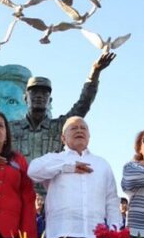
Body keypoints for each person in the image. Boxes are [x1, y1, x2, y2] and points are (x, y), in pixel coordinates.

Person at [11, 53, 116, 195]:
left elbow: (83, 103)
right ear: (25, 98)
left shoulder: (60, 126)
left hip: (52, 196)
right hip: (16, 194)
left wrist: (94, 72)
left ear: (50, 100)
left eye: (44, 93)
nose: (39, 96)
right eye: (34, 92)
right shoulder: (10, 128)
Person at [28, 116, 121, 238]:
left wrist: (114, 234)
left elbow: (111, 201)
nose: (79, 130)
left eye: (83, 128)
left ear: (89, 136)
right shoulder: (55, 159)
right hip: (61, 236)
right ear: (63, 138)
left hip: (96, 237)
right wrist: (69, 166)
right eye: (74, 128)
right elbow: (33, 171)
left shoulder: (102, 164)